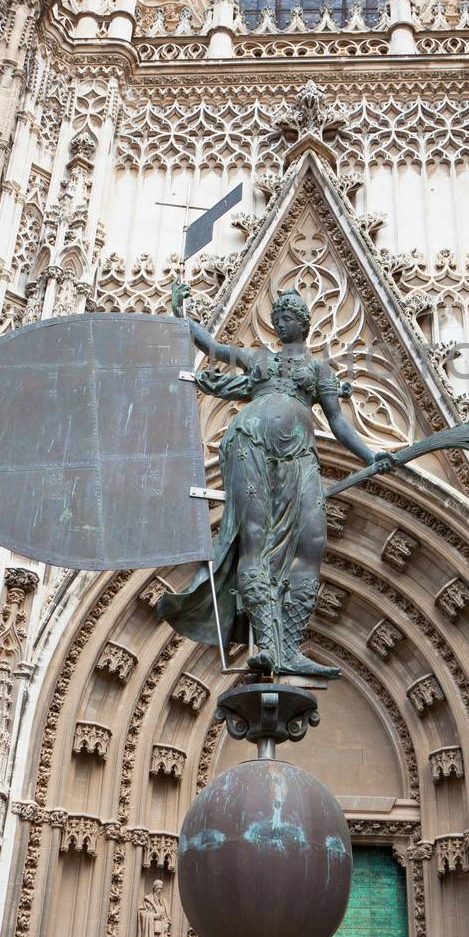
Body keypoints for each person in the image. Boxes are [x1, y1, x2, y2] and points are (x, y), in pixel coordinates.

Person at [156, 284, 395, 677]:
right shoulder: (259, 360)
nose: (282, 323)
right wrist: (183, 315)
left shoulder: (318, 370)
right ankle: (268, 645)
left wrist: (371, 456)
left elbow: (337, 422)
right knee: (254, 536)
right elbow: (214, 349)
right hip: (249, 441)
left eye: (289, 318)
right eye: (278, 318)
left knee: (313, 539)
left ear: (303, 324)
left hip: (299, 455)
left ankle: (290, 645)